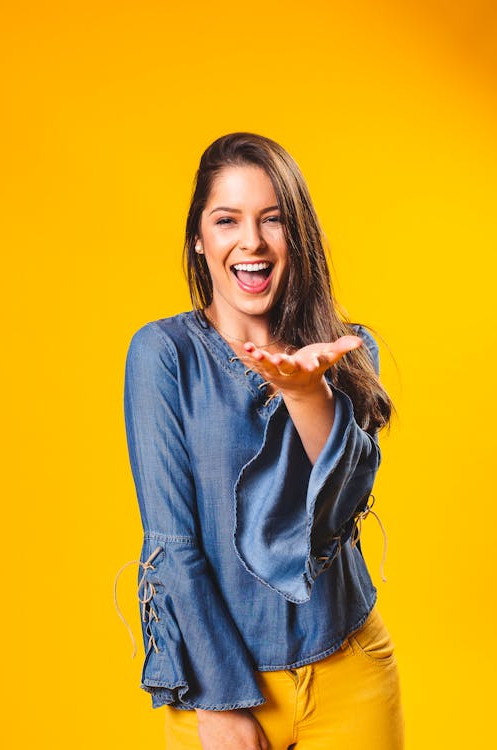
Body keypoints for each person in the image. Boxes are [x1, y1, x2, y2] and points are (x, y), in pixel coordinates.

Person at [114, 132, 405, 749]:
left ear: (295, 235)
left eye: (272, 220)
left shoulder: (345, 353)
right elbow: (172, 541)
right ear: (200, 238)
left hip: (352, 669)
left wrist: (305, 394)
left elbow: (342, 510)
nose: (251, 241)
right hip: (224, 684)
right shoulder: (164, 354)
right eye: (228, 220)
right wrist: (218, 701)